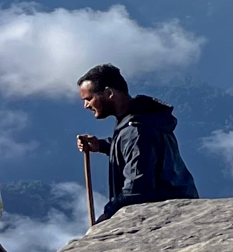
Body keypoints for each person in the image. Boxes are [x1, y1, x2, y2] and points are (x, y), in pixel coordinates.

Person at [76, 64, 199, 223]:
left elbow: (136, 189)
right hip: (180, 202)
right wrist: (102, 145)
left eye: (89, 99)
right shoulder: (143, 118)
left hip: (166, 217)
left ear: (109, 93)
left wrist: (107, 216)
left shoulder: (137, 130)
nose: (86, 105)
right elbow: (137, 148)